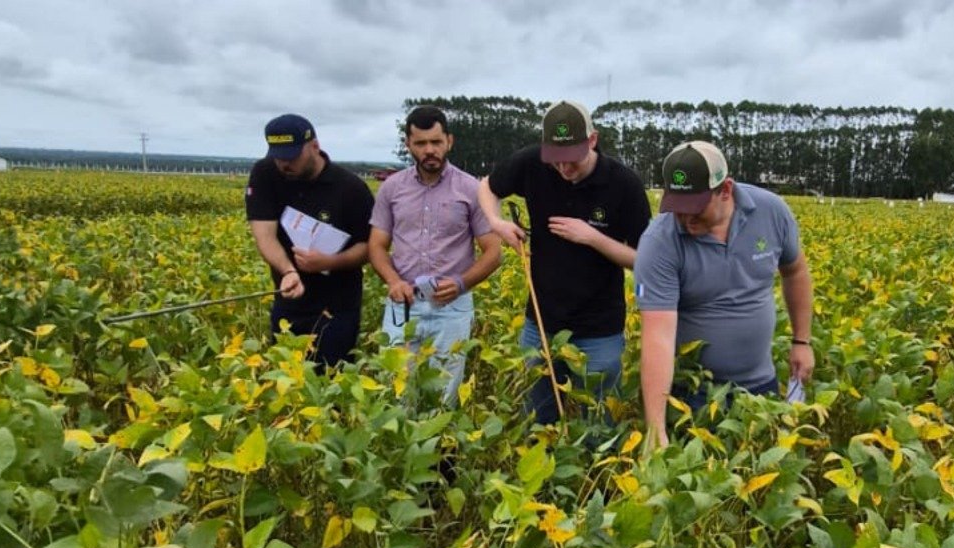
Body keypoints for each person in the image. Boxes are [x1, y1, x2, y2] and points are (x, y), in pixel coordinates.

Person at [477, 100, 651, 423]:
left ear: (593, 140)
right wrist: (497, 222)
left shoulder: (624, 185)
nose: (564, 169)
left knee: (598, 422)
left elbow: (645, 261)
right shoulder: (531, 163)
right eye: (556, 161)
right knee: (536, 417)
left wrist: (592, 237)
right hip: (540, 323)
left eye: (572, 159)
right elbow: (487, 187)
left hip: (599, 330)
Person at [633, 140, 814, 447]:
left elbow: (795, 271)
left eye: (695, 209)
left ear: (725, 190)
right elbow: (658, 337)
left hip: (761, 385)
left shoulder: (771, 212)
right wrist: (656, 429)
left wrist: (802, 341)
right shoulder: (659, 241)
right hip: (694, 392)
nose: (686, 219)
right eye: (678, 208)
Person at [368, 105, 502, 402]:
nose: (430, 150)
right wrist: (392, 281)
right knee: (396, 392)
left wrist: (461, 283)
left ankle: (441, 449)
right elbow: (376, 245)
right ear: (408, 145)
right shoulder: (392, 189)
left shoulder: (473, 189)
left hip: (451, 306)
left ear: (449, 142)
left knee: (443, 396)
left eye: (436, 142)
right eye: (420, 143)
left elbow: (493, 252)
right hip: (402, 303)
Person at [244, 113, 374, 367]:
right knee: (288, 380)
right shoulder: (265, 174)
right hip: (289, 298)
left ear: (314, 146)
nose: (284, 164)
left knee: (330, 381)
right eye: (278, 157)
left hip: (338, 306)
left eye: (292, 156)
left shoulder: (351, 188)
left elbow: (370, 248)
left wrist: (330, 261)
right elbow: (265, 235)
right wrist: (288, 270)